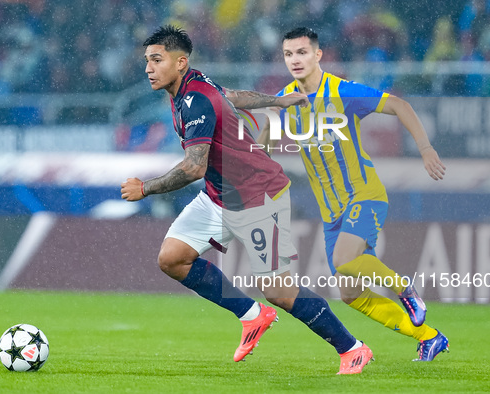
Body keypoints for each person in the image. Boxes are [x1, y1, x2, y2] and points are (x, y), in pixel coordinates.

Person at [121, 25, 372, 374]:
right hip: (219, 195)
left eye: (156, 60)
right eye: (147, 60)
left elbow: (194, 167)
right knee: (173, 258)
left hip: (257, 197)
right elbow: (233, 96)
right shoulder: (193, 84)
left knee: (279, 292)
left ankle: (353, 348)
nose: (148, 68)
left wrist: (145, 189)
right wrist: (276, 101)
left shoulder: (196, 100)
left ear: (180, 62)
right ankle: (252, 315)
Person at [256, 27, 449, 362]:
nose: (295, 60)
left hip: (364, 195)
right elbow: (265, 142)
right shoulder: (285, 99)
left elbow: (399, 105)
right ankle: (429, 337)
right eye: (289, 54)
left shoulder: (342, 92)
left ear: (317, 55)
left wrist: (426, 148)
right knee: (351, 294)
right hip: (331, 212)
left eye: (302, 52)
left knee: (344, 260)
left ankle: (405, 289)